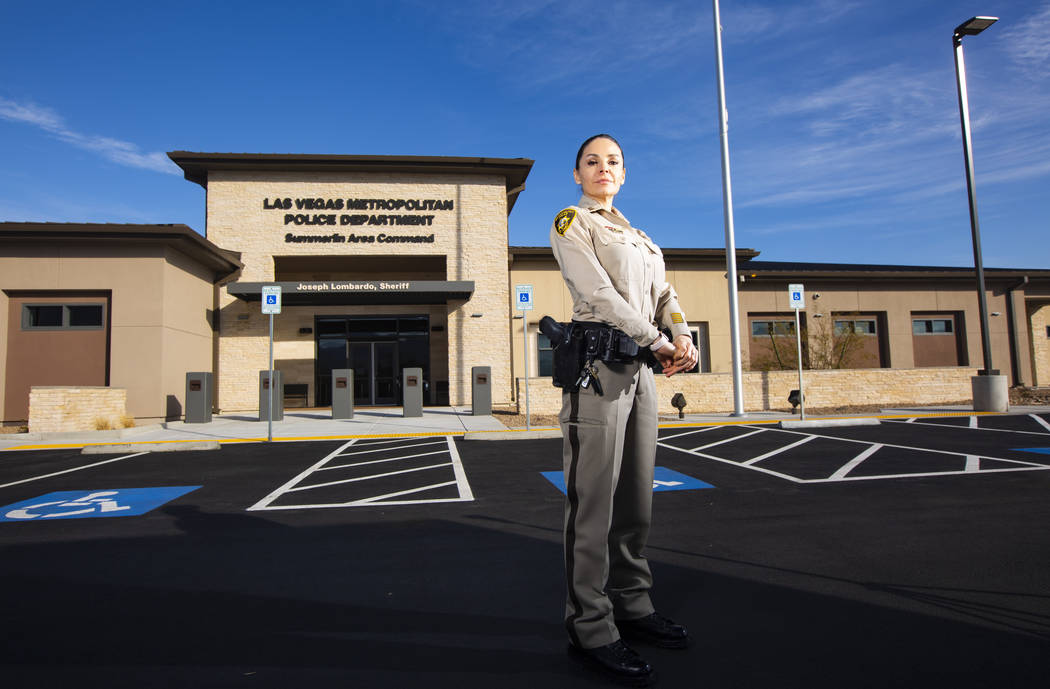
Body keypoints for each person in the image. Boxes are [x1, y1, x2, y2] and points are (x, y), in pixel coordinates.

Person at [550, 133, 699, 686]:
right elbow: (599, 295)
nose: (602, 168)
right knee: (592, 505)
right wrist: (657, 339)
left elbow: (665, 294)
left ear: (624, 173)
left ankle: (632, 606)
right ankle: (590, 626)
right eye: (592, 161)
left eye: (612, 161)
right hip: (600, 371)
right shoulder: (573, 222)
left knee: (637, 497)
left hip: (643, 373)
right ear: (577, 174)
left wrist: (681, 335)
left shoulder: (639, 236)